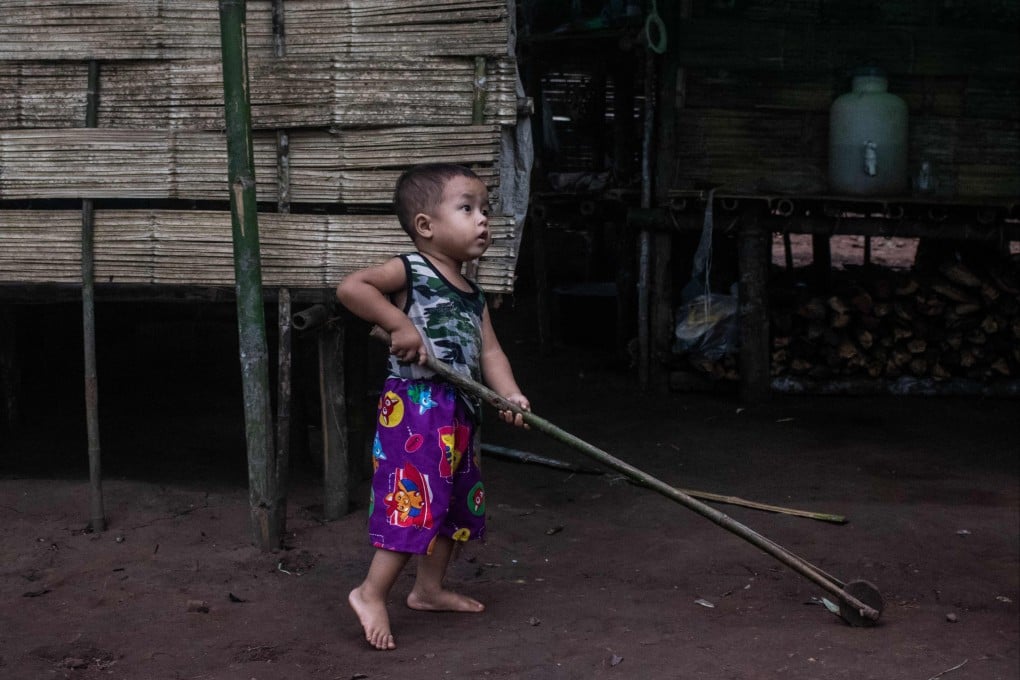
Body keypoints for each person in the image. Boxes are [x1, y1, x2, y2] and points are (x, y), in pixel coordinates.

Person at [336, 163, 530, 651]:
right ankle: (370, 592)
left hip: (461, 412)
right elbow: (352, 288)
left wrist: (509, 393)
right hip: (417, 409)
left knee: (458, 507)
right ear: (426, 226)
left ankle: (428, 589)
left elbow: (490, 352)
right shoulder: (411, 269)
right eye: (468, 209)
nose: (483, 219)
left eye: (484, 210)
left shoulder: (473, 294)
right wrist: (400, 326)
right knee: (416, 502)